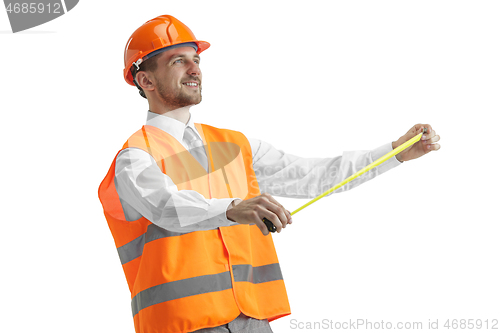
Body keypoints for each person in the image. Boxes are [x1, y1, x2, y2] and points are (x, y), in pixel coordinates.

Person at [98, 15, 441, 333]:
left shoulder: (234, 144)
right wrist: (233, 209)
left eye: (197, 60)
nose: (195, 69)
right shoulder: (136, 156)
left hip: (251, 319)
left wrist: (394, 153)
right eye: (179, 61)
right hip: (179, 325)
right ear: (145, 80)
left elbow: (313, 175)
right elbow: (166, 208)